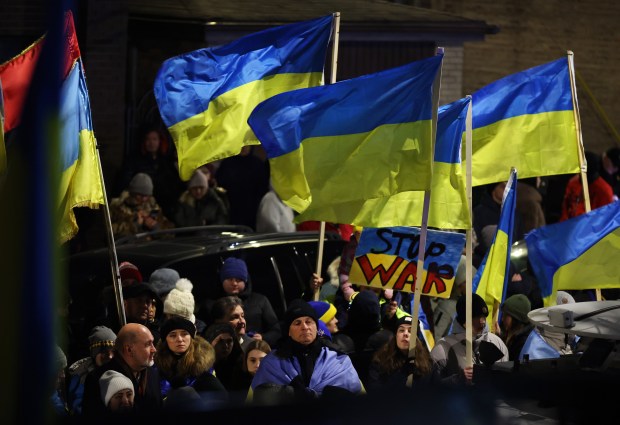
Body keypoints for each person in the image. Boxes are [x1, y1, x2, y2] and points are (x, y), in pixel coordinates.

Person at [250, 299, 363, 403]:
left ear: (316, 327)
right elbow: (260, 400)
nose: (304, 327)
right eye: (297, 323)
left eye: (309, 322)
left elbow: (355, 400)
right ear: (288, 331)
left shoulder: (339, 359)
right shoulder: (272, 362)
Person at [82, 323, 161, 415]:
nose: (154, 349)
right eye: (148, 344)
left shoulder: (153, 373)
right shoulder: (96, 379)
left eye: (153, 343)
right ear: (129, 349)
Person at [430, 293, 508, 385]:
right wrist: (458, 379)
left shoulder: (497, 343)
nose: (482, 321)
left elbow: (505, 382)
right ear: (464, 320)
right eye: (477, 317)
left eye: (484, 316)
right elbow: (432, 388)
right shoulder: (442, 348)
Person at [201, 257, 281, 346]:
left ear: (245, 280)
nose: (234, 283)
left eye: (238, 279)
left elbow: (276, 329)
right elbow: (204, 331)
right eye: (230, 279)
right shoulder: (211, 304)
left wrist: (263, 338)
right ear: (222, 280)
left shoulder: (260, 300)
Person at [155, 317, 227, 406]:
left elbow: (221, 400)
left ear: (191, 337)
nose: (180, 339)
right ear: (165, 340)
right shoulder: (156, 369)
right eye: (173, 335)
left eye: (184, 334)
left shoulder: (203, 369)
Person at [116, 127, 185, 220]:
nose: (151, 142)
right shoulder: (134, 160)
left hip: (164, 207)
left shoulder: (166, 161)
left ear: (160, 141)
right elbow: (124, 182)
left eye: (154, 139)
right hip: (144, 204)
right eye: (148, 139)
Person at [367, 315, 440, 393]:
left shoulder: (428, 364)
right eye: (401, 330)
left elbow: (436, 394)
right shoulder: (380, 361)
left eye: (410, 331)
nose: (405, 334)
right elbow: (374, 393)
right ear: (396, 336)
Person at [215, 145, 270, 230]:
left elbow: (263, 187)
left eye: (247, 145)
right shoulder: (228, 163)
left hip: (253, 207)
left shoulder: (257, 163)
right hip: (233, 206)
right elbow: (221, 184)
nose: (244, 148)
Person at [67, 326, 117, 415]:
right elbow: (78, 407)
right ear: (94, 353)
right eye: (104, 352)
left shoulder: (119, 370)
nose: (110, 356)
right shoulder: (81, 375)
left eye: (113, 351)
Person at [110, 172, 174, 238]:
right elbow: (111, 234)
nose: (144, 199)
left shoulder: (152, 207)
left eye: (146, 195)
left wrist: (155, 227)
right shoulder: (118, 207)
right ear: (133, 193)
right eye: (140, 195)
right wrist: (135, 224)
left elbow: (170, 232)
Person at [560, 150, 614, 221]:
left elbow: (604, 219)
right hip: (569, 226)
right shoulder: (573, 182)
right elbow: (566, 206)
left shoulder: (604, 190)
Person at [202, 322, 245, 395]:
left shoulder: (240, 365)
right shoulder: (200, 366)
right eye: (220, 341)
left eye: (229, 341)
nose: (225, 346)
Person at [500, 294, 534, 361]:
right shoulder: (516, 334)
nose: (502, 319)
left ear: (516, 318)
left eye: (506, 316)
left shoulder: (523, 343)